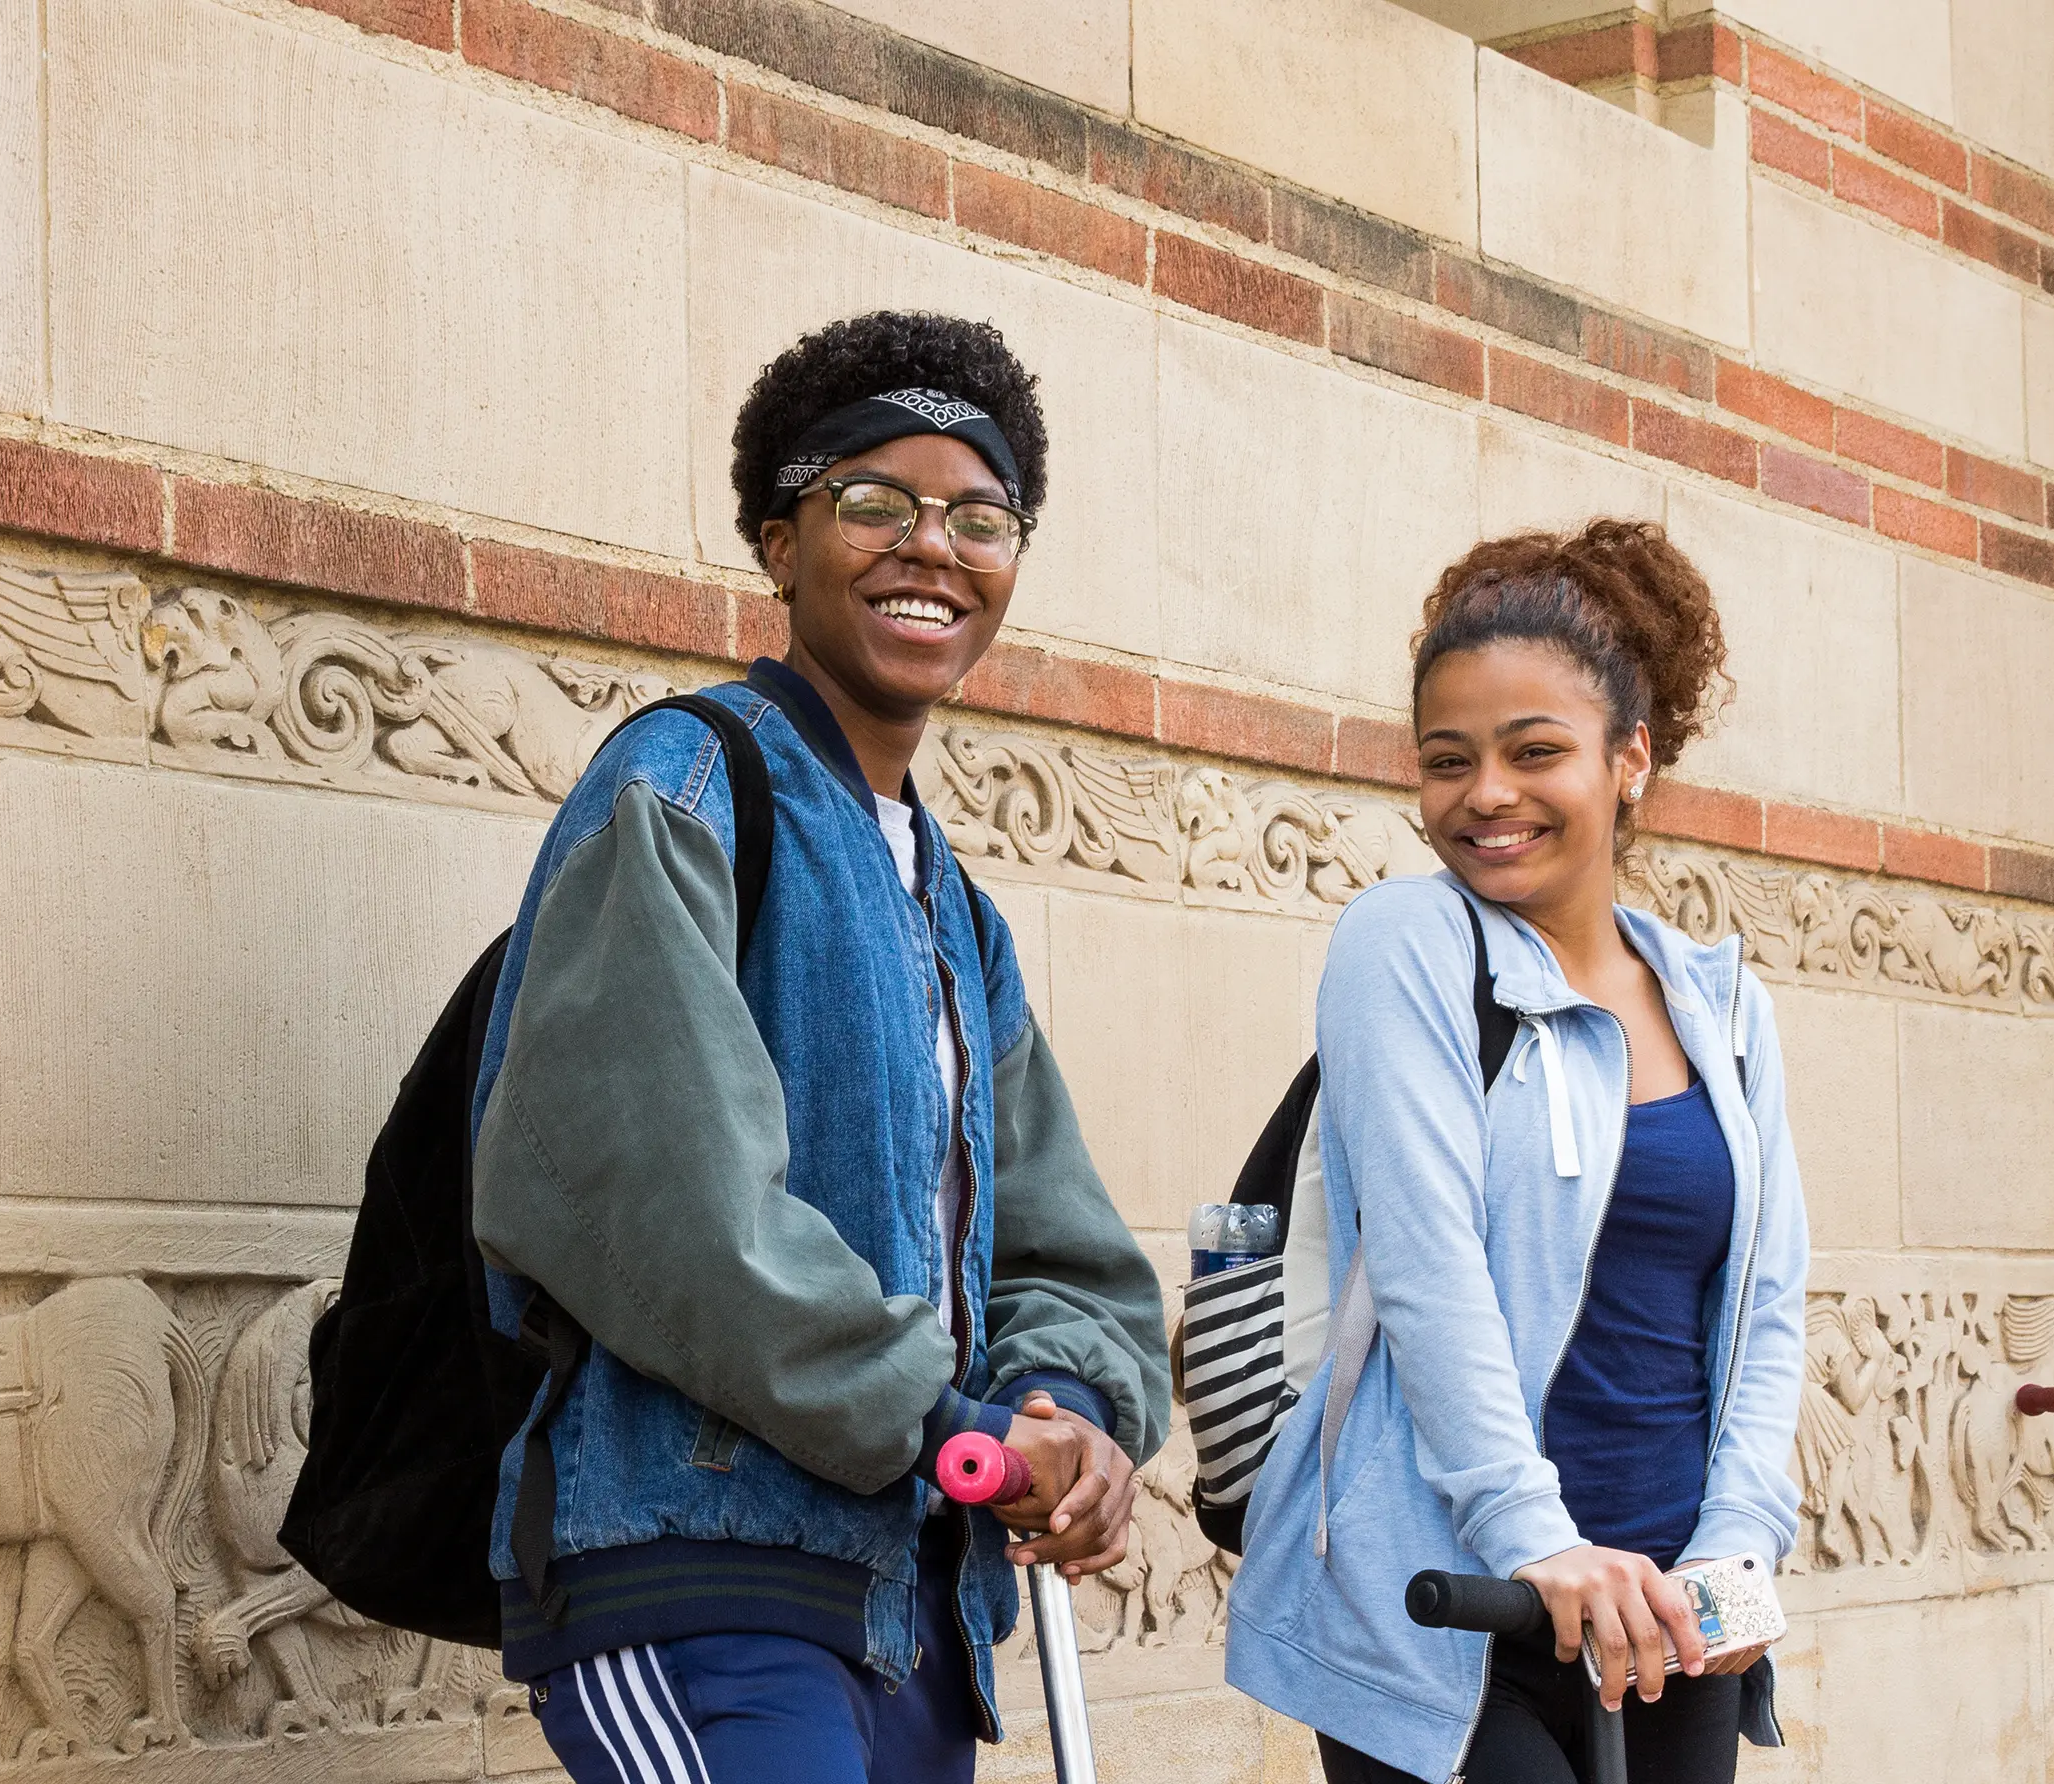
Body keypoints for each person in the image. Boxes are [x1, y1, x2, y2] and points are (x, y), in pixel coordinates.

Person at [469, 310, 1170, 1784]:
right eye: (874, 504)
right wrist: (944, 1419)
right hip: (700, 1571)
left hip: (913, 1601)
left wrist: (1070, 1418)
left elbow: (1065, 1253)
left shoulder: (955, 908)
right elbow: (666, 1208)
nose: (934, 549)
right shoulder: (684, 787)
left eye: (982, 519)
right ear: (779, 542)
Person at [1225, 522, 1810, 1784]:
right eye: (1448, 761)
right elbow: (1429, 1270)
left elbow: (1765, 1309)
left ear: (1630, 758)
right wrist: (1533, 1537)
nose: (1484, 793)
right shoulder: (1406, 944)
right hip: (1457, 1605)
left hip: (1666, 1619)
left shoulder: (1721, 1005)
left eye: (1533, 749)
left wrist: (1736, 1540)